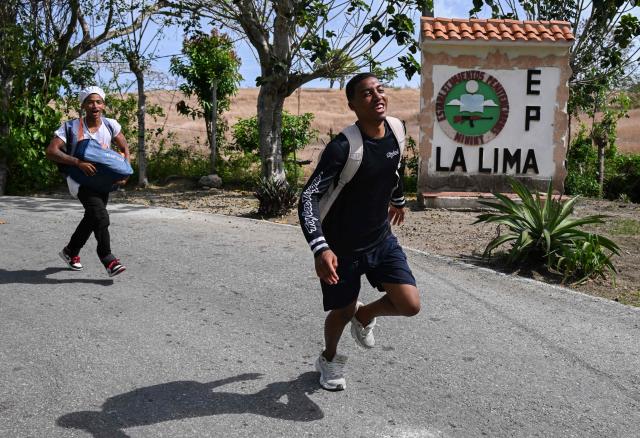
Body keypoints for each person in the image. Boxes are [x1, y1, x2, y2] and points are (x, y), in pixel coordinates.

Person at [298, 73, 421, 391]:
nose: (377, 96)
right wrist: (320, 248)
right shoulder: (342, 148)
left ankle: (365, 315)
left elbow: (394, 169)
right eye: (367, 94)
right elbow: (309, 196)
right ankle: (328, 359)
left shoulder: (396, 129)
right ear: (352, 104)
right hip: (342, 247)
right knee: (341, 310)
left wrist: (397, 199)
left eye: (380, 90)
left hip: (380, 238)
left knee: (409, 304)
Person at [46, 86, 130, 277]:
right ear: (83, 105)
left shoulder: (111, 125)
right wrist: (78, 162)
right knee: (101, 217)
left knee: (92, 218)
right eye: (90, 102)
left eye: (98, 102)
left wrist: (126, 171)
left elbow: (125, 148)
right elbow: (51, 151)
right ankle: (108, 259)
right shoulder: (70, 127)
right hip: (80, 181)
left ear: (104, 105)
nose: (95, 105)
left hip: (104, 182)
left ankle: (70, 251)